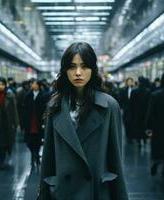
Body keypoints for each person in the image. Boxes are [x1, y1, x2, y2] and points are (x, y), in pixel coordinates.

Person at [38, 42, 128, 200]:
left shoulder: (109, 106)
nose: (78, 73)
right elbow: (48, 157)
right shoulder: (55, 106)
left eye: (84, 66)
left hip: (96, 191)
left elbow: (116, 159)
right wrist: (44, 193)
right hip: (63, 192)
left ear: (93, 70)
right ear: (65, 70)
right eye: (72, 67)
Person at [23, 79, 46, 169]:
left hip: (39, 122)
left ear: (39, 85)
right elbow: (24, 109)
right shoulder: (28, 96)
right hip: (30, 122)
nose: (33, 85)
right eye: (32, 84)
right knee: (30, 141)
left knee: (38, 140)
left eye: (35, 84)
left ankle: (35, 156)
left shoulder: (43, 96)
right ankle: (34, 155)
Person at [130, 76, 151, 147]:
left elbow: (131, 103)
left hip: (136, 112)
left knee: (138, 126)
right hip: (145, 112)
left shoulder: (134, 91)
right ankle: (144, 139)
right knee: (144, 126)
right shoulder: (148, 91)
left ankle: (138, 140)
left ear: (138, 82)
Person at [119, 77, 135, 143]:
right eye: (128, 81)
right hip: (126, 109)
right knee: (126, 122)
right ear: (126, 82)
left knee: (132, 123)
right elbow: (121, 99)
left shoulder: (134, 90)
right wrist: (122, 107)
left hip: (132, 110)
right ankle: (128, 135)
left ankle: (131, 136)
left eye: (131, 81)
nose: (130, 83)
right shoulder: (123, 90)